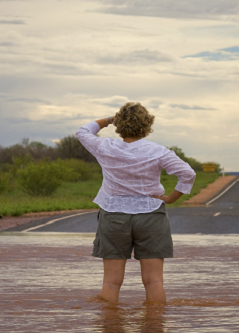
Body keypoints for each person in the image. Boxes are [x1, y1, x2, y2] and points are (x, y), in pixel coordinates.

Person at [76, 102, 196, 304]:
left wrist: (111, 119)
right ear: (147, 125)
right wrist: (171, 198)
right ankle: (154, 331)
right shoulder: (158, 151)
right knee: (154, 281)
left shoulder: (105, 147)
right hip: (151, 215)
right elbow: (188, 174)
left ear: (119, 125)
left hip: (113, 215)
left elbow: (83, 131)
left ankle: (111, 331)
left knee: (111, 282)